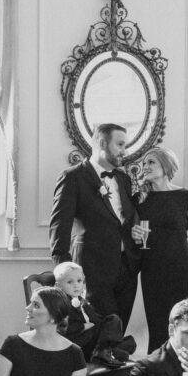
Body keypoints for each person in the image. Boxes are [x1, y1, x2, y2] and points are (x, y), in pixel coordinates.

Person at [50, 123, 140, 330]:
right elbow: (59, 226)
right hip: (92, 269)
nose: (124, 151)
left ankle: (113, 361)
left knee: (119, 329)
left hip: (127, 268)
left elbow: (124, 220)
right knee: (101, 332)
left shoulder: (123, 179)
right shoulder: (72, 177)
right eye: (119, 144)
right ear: (101, 143)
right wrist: (64, 273)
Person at [133, 146, 188, 352]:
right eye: (144, 163)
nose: (145, 167)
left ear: (166, 165)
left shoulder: (185, 197)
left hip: (181, 268)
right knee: (159, 325)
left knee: (185, 323)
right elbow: (130, 233)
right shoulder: (139, 199)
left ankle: (187, 375)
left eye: (151, 162)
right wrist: (133, 234)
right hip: (152, 269)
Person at [52, 261, 134, 366]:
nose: (76, 285)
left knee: (114, 322)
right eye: (70, 282)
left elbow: (95, 319)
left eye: (79, 281)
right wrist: (83, 326)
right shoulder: (61, 304)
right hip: (78, 343)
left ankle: (105, 350)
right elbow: (61, 329)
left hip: (92, 341)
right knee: (120, 346)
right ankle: (103, 351)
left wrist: (104, 323)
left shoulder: (82, 301)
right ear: (58, 286)